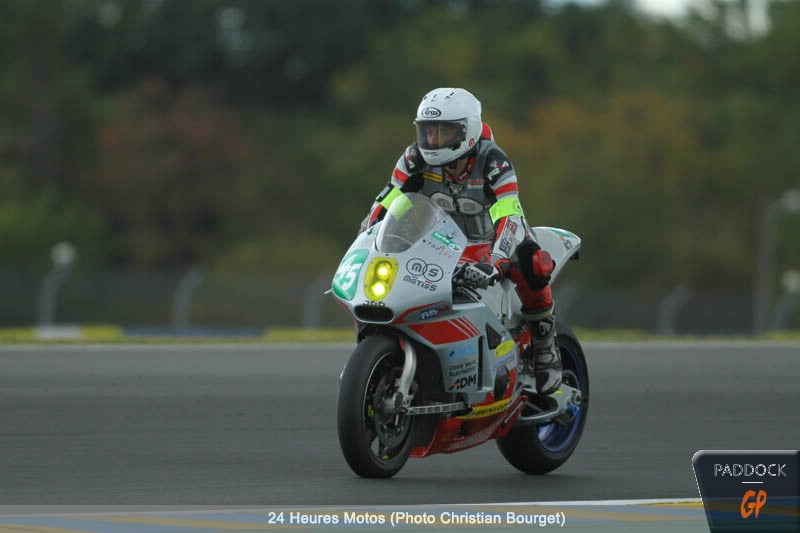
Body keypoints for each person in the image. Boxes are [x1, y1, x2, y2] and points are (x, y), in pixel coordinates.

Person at [359, 87, 562, 395]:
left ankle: (546, 347)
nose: (432, 140)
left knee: (532, 262)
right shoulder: (414, 158)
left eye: (444, 131)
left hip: (493, 240)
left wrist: (496, 261)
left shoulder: (493, 161)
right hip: (440, 244)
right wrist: (366, 241)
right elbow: (387, 201)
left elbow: (510, 213)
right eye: (427, 131)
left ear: (467, 131)